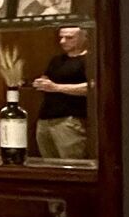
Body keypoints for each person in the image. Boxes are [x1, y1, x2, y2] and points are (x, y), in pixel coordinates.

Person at [31, 25, 91, 160]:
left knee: (72, 162)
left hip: (69, 119)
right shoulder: (57, 60)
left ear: (84, 37)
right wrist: (41, 82)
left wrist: (56, 87)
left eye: (69, 38)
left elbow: (91, 88)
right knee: (49, 162)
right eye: (61, 37)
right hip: (45, 118)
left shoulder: (89, 60)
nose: (63, 41)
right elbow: (47, 78)